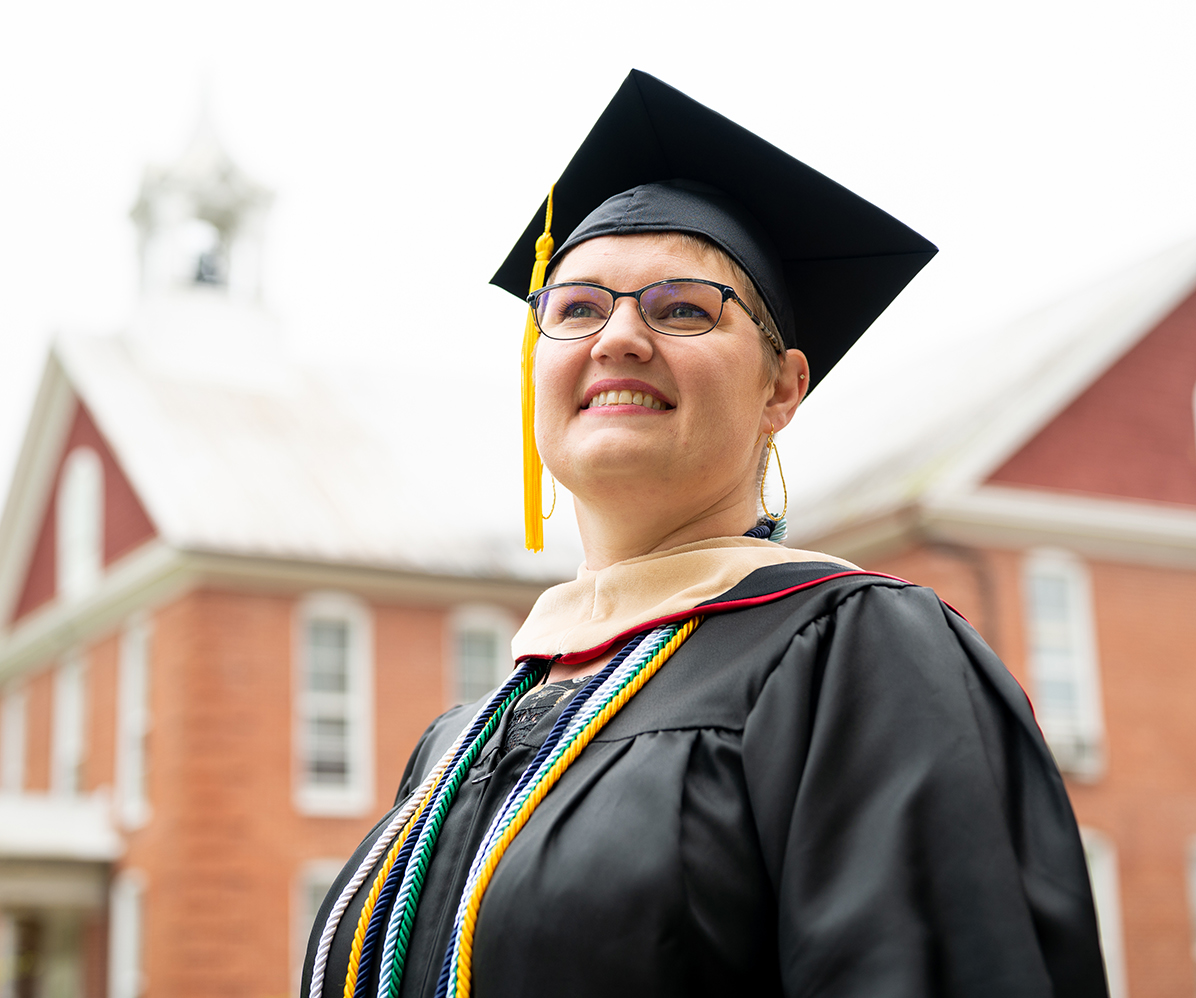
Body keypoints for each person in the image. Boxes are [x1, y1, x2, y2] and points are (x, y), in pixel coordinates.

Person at [302, 70, 1106, 998]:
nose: (618, 337)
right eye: (576, 308)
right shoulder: (459, 743)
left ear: (781, 389)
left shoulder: (858, 654)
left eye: (683, 307)